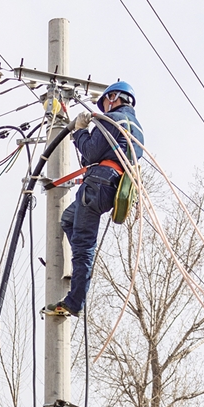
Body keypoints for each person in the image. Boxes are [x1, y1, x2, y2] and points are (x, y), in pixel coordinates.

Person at [47, 82, 144, 318]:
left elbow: (90, 153)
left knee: (84, 245)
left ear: (114, 97)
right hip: (114, 187)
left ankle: (75, 300)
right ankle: (80, 268)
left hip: (99, 182)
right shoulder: (137, 128)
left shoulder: (110, 120)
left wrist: (79, 131)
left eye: (106, 102)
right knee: (69, 220)